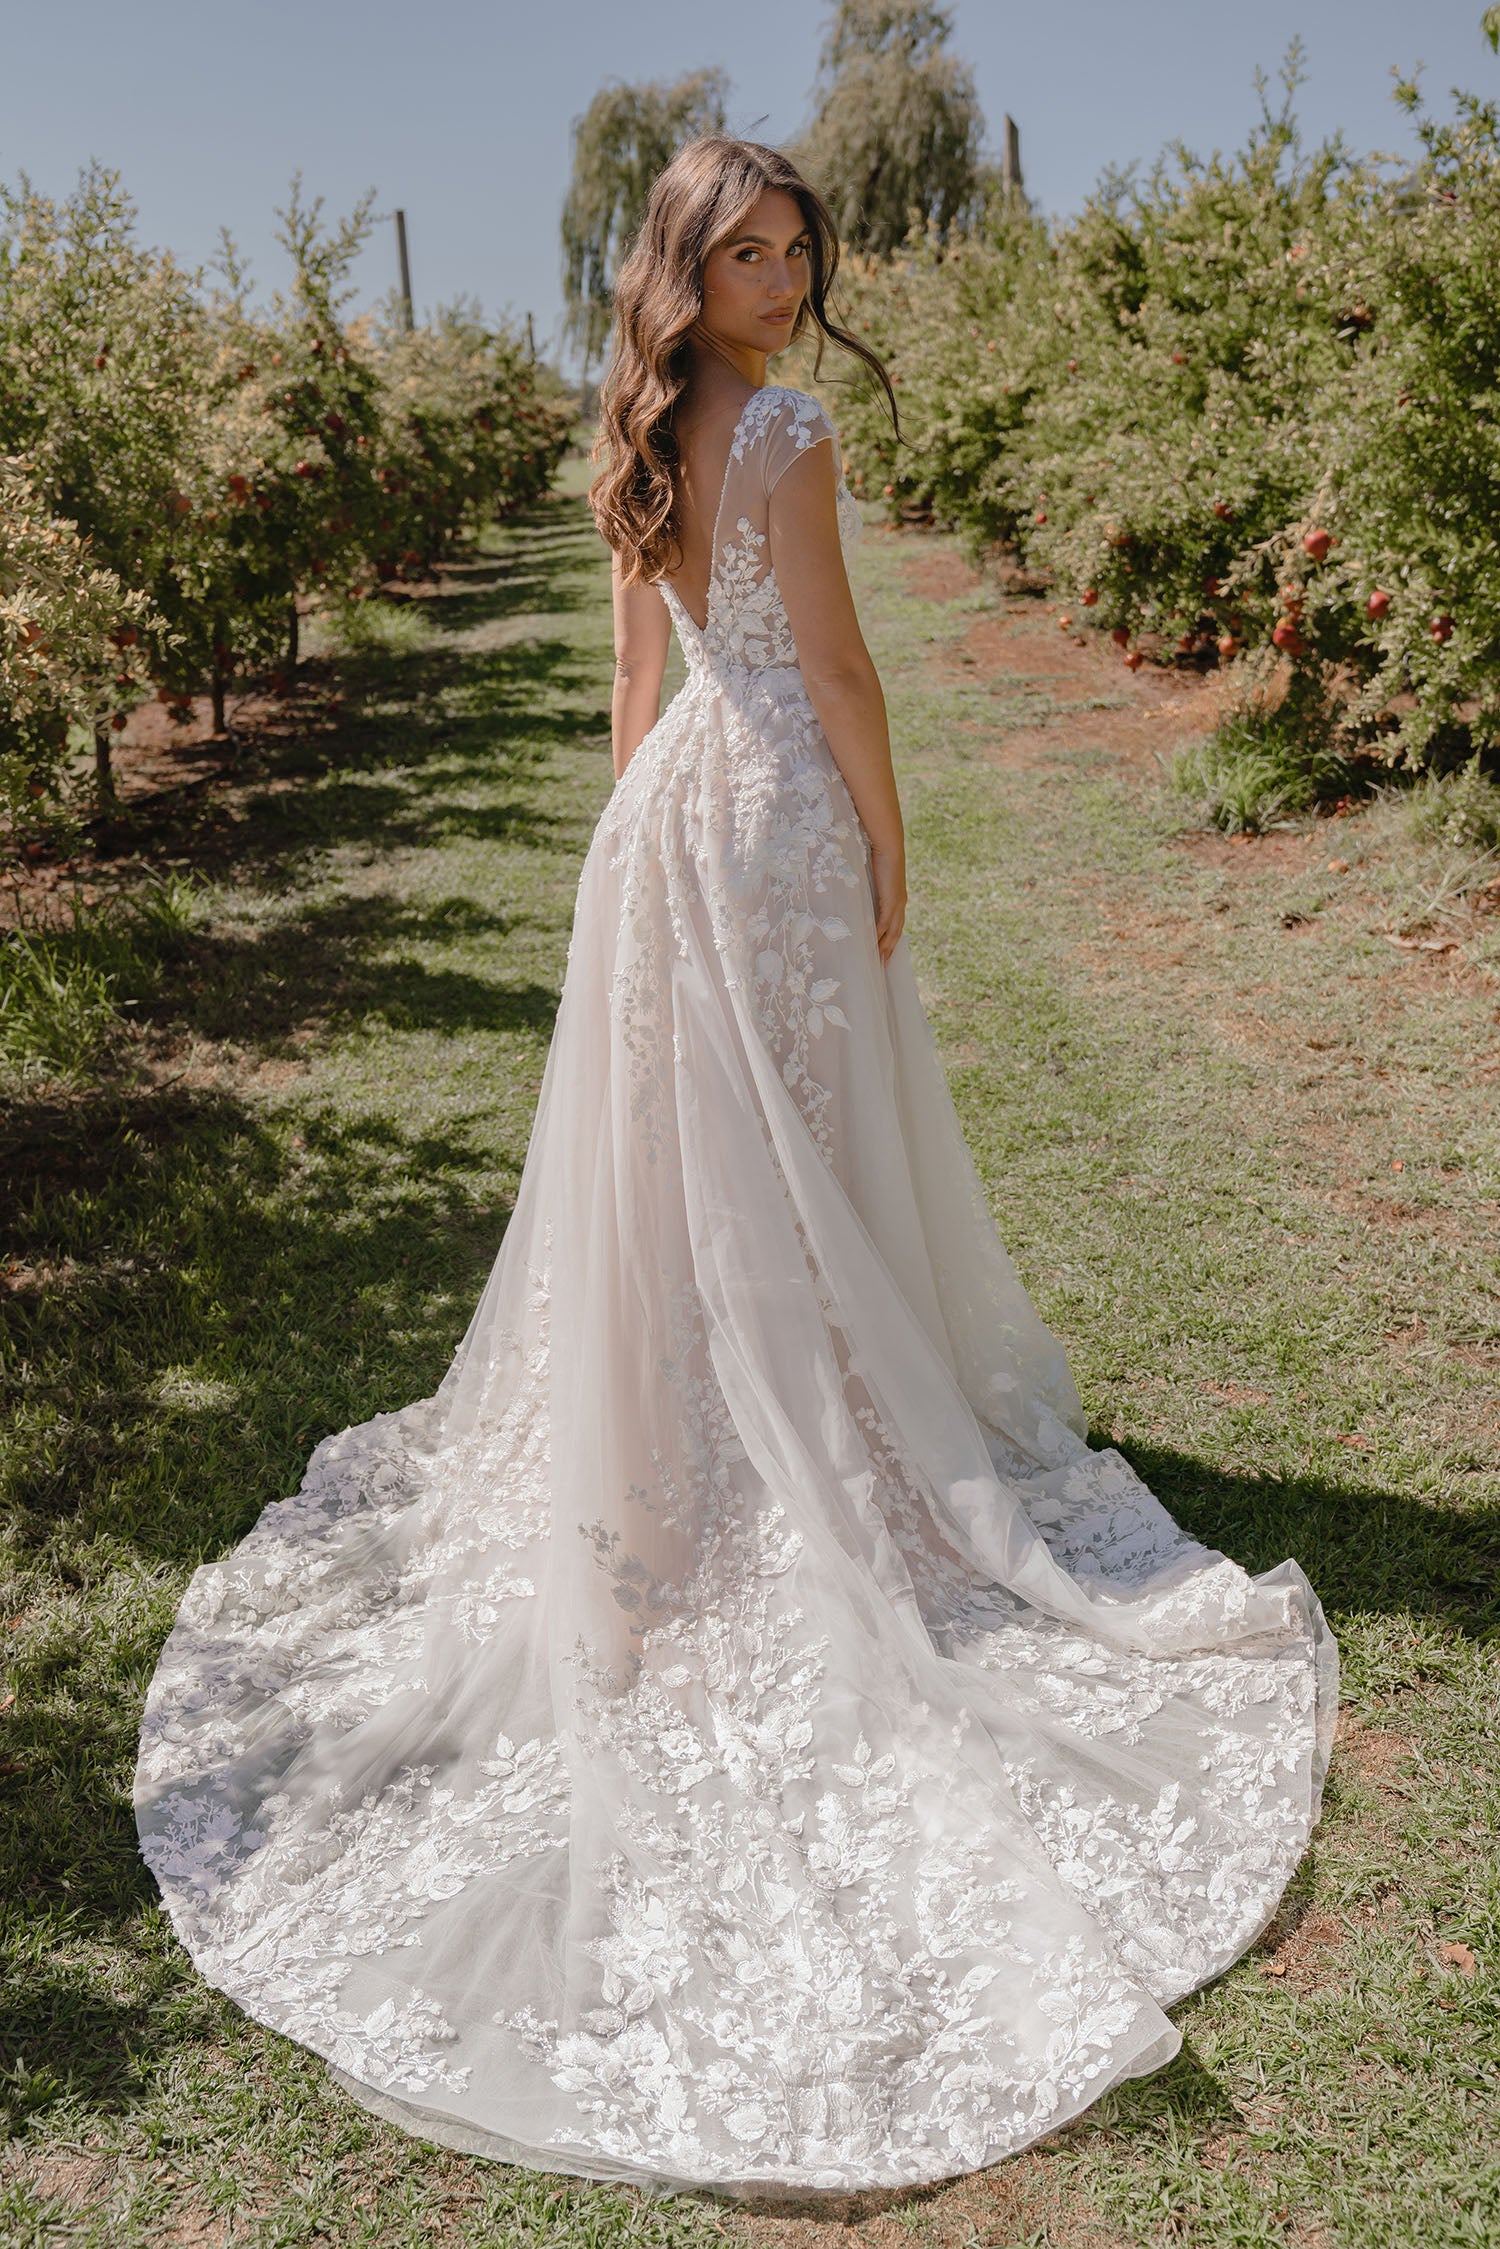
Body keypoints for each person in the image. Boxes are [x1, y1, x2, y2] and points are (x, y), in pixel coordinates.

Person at [135, 136, 1337, 2200]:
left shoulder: (635, 428)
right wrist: (890, 835)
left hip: (673, 819)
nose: (783, 278)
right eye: (750, 249)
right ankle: (796, 1460)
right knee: (776, 1156)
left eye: (797, 249)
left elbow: (637, 690)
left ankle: (699, 1458)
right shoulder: (785, 425)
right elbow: (843, 671)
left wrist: (629, 854)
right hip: (767, 811)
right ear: (688, 264)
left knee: (707, 1162)